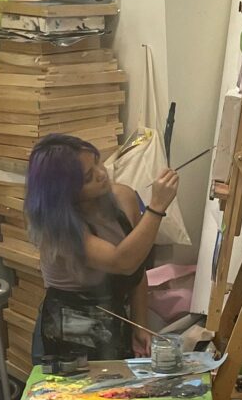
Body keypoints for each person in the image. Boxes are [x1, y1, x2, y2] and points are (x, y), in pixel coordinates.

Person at [25, 133, 179, 362]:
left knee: (119, 390)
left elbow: (137, 267)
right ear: (64, 193)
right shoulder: (56, 228)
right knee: (80, 394)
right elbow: (122, 262)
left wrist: (140, 325)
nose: (101, 174)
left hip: (113, 315)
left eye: (97, 161)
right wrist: (156, 208)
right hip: (69, 326)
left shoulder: (123, 196)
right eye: (88, 177)